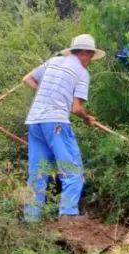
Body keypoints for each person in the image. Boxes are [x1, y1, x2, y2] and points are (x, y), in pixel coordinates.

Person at [21, 34, 102, 221]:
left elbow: (27, 79)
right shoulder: (82, 73)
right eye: (90, 56)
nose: (90, 61)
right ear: (84, 53)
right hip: (56, 122)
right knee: (72, 169)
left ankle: (31, 218)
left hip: (35, 121)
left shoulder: (54, 61)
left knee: (37, 172)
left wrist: (46, 94)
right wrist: (87, 118)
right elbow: (76, 108)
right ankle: (68, 214)